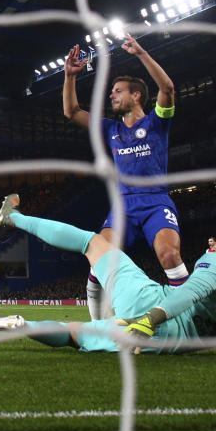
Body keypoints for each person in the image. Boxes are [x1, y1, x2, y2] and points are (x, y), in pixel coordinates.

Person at [0, 195, 216, 357]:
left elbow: (189, 292)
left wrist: (150, 319)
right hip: (164, 346)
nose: (211, 244)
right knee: (73, 334)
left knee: (92, 242)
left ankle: (14, 218)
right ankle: (25, 325)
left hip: (150, 309)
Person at [63, 33, 188, 321]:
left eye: (118, 91)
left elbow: (167, 87)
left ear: (136, 95)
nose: (111, 95)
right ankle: (98, 326)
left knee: (169, 256)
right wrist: (69, 76)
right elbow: (71, 111)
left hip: (156, 201)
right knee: (99, 259)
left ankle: (189, 319)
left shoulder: (157, 122)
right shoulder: (111, 129)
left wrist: (141, 53)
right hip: (122, 206)